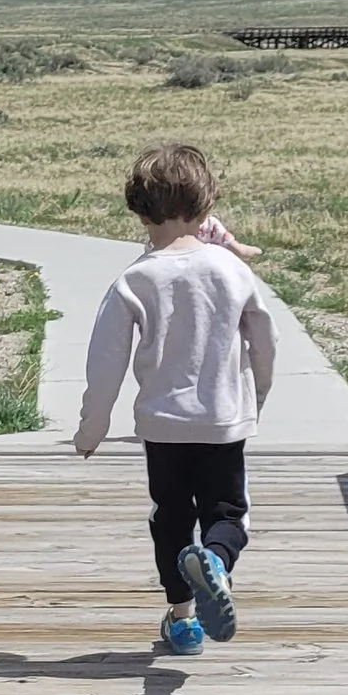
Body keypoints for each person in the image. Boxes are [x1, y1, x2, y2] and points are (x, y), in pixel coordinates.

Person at [75, 143, 277, 656]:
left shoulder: (135, 279)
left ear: (139, 210)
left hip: (163, 428)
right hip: (223, 421)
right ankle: (216, 561)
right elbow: (264, 339)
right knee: (227, 514)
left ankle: (184, 619)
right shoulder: (232, 271)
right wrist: (259, 393)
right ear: (207, 206)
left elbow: (105, 364)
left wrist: (92, 429)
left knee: (170, 516)